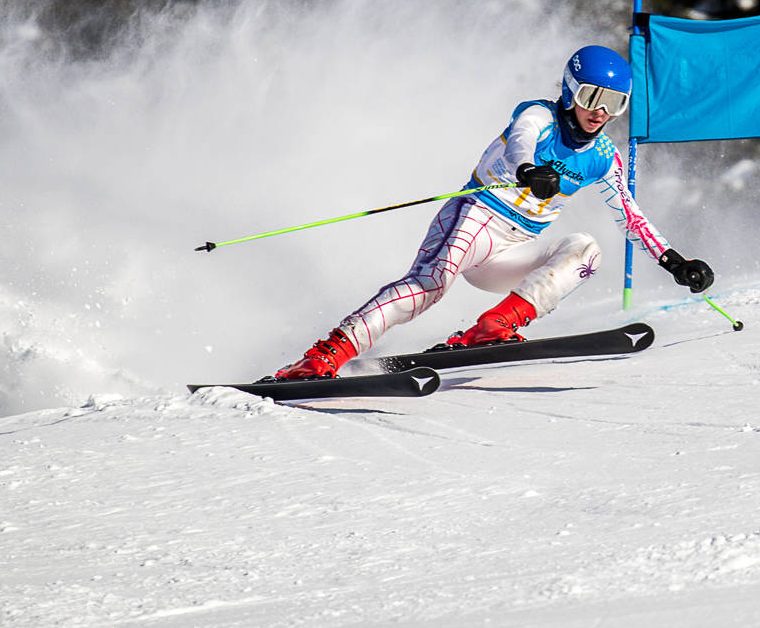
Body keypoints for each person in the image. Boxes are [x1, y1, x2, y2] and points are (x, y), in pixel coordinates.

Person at [271, 45, 715, 380]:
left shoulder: (603, 155)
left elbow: (631, 216)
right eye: (592, 95)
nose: (600, 111)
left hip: (512, 251)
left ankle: (494, 327)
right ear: (570, 90)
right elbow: (523, 139)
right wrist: (527, 170)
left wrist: (674, 260)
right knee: (429, 285)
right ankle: (323, 357)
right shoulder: (540, 114)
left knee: (585, 250)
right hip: (478, 216)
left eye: (615, 103)